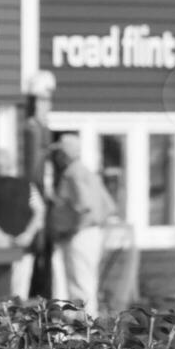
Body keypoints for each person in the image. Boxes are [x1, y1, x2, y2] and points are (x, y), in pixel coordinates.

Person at [49, 133, 116, 315]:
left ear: (65, 154)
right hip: (92, 233)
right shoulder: (86, 171)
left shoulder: (72, 174)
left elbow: (85, 206)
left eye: (59, 154)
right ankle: (87, 328)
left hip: (80, 234)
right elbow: (108, 205)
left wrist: (73, 229)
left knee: (79, 284)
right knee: (86, 282)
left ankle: (84, 332)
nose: (56, 158)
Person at [0, 148, 46, 299]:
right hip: (10, 245)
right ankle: (13, 322)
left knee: (5, 292)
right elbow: (40, 211)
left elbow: (39, 211)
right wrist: (27, 235)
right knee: (14, 292)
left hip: (6, 245)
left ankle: (9, 322)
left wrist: (27, 235)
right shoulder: (26, 185)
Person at [23, 72, 56, 299]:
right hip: (35, 193)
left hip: (42, 192)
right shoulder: (32, 128)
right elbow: (34, 169)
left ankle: (42, 291)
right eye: (43, 100)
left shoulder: (41, 128)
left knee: (44, 249)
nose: (46, 105)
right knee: (36, 245)